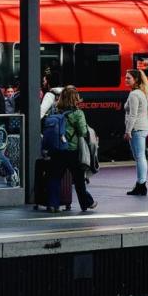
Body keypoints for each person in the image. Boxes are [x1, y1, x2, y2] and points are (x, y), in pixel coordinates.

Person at [52, 85, 96, 213]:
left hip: (57, 149)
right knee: (78, 179)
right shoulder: (78, 113)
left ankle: (54, 204)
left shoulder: (56, 111)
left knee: (55, 177)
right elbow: (82, 131)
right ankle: (85, 204)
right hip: (72, 150)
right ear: (75, 98)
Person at [123, 69, 148, 196]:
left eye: (129, 78)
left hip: (137, 129)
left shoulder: (134, 94)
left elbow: (132, 115)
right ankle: (140, 184)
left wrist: (128, 131)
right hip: (142, 127)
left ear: (136, 80)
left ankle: (141, 184)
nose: (126, 80)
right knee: (140, 157)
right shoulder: (142, 93)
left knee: (139, 157)